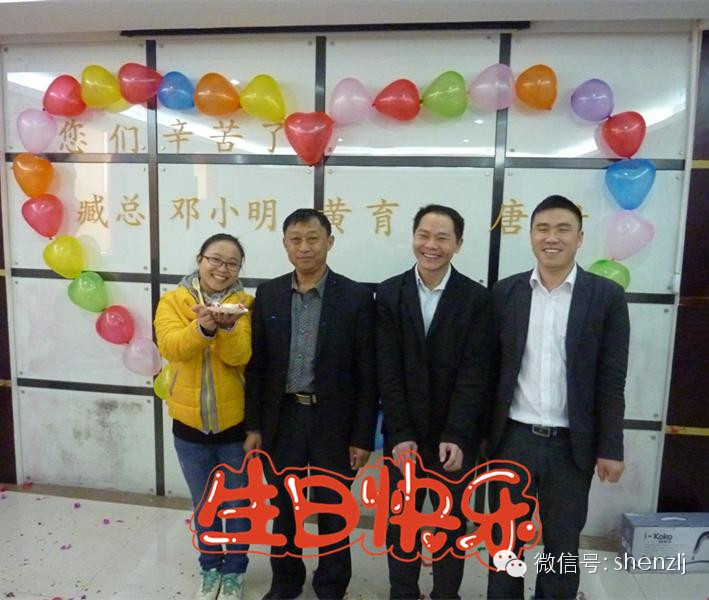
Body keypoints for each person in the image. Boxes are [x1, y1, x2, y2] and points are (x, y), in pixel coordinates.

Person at [486, 195, 630, 599]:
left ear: (579, 238)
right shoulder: (505, 293)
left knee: (561, 545)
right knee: (505, 541)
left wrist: (610, 447)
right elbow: (488, 371)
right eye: (543, 229)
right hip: (512, 440)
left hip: (571, 445)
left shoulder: (606, 297)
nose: (552, 238)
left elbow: (611, 379)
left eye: (563, 229)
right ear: (531, 235)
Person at [244, 208, 378, 600]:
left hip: (333, 421)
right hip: (282, 418)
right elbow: (257, 367)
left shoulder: (356, 297)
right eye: (296, 239)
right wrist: (254, 426)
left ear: (329, 242)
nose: (304, 247)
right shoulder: (269, 294)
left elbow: (367, 374)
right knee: (283, 507)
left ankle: (332, 585)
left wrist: (362, 437)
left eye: (313, 238)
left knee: (332, 507)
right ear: (285, 245)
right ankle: (285, 582)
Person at [377, 204, 493, 600]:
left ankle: (446, 594)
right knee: (401, 521)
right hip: (404, 436)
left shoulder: (476, 299)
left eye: (442, 238)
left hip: (454, 439)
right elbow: (387, 370)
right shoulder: (389, 293)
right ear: (413, 237)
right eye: (424, 235)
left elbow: (475, 374)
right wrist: (400, 434)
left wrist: (457, 435)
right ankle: (403, 593)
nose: (431, 245)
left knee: (450, 522)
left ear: (458, 244)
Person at [155, 233, 253, 600]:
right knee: (205, 504)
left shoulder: (246, 304)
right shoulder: (173, 301)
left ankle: (235, 571)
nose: (222, 269)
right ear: (200, 259)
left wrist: (226, 326)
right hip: (189, 428)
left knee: (238, 505)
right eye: (215, 259)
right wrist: (203, 327)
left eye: (232, 263)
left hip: (235, 428)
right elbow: (172, 347)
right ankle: (210, 567)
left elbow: (240, 356)